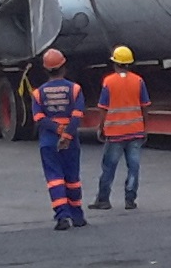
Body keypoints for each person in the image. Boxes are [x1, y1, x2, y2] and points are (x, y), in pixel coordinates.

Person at [89, 45, 151, 211]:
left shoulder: (108, 82)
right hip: (136, 131)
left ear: (115, 63)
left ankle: (103, 200)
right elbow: (145, 106)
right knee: (134, 167)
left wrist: (101, 127)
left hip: (115, 133)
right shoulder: (138, 81)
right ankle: (130, 200)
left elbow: (103, 107)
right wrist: (145, 128)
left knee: (109, 167)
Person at [32, 48, 88, 231]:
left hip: (48, 141)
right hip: (71, 141)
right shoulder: (75, 89)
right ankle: (78, 216)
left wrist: (57, 130)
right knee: (72, 178)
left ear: (46, 69)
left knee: (54, 179)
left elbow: (39, 118)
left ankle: (62, 217)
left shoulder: (38, 93)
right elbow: (77, 115)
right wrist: (66, 135)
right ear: (64, 67)